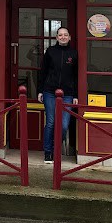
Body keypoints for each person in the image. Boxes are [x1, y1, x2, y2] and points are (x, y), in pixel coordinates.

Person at [37, 27, 78, 164]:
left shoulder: (74, 53)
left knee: (64, 125)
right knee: (51, 122)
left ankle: (56, 149)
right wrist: (40, 90)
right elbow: (43, 72)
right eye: (60, 35)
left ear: (69, 37)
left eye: (66, 35)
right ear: (56, 37)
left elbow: (76, 76)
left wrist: (75, 95)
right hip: (50, 92)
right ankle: (48, 152)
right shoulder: (50, 52)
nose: (63, 37)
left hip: (67, 94)